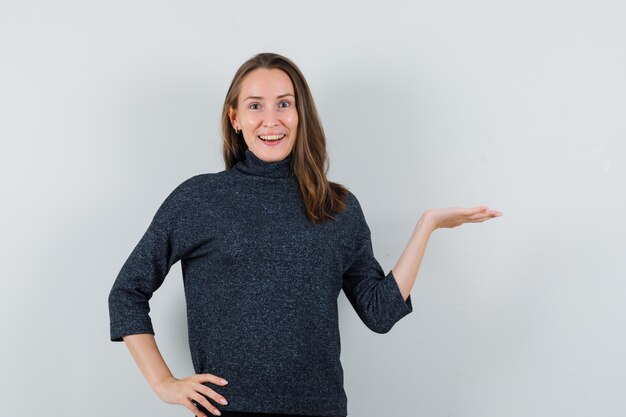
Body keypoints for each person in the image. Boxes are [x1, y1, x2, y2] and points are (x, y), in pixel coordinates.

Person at [108, 52, 502, 417]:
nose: (271, 119)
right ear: (235, 118)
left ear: (301, 114)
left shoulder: (337, 207)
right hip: (228, 410)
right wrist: (164, 383)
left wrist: (426, 226)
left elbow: (380, 312)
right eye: (255, 105)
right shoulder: (199, 199)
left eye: (284, 103)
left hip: (321, 409)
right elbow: (127, 291)